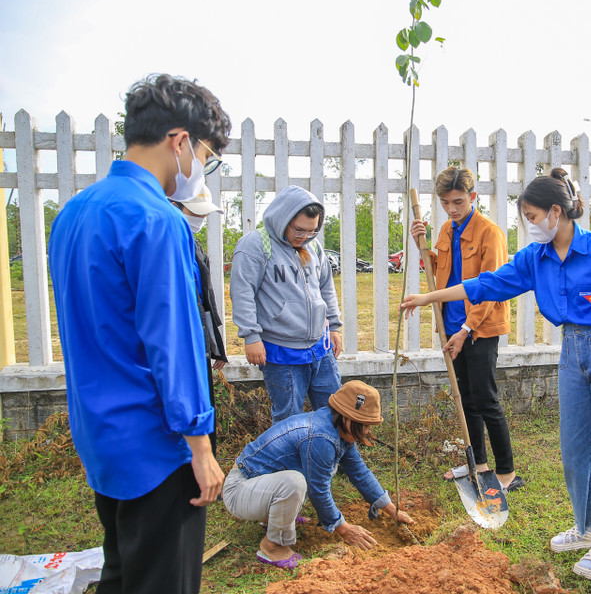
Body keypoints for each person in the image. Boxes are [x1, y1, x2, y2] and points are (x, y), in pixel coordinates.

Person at [402, 168, 591, 580]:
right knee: (575, 445)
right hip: (572, 349)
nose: (529, 225)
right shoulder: (537, 258)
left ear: (556, 211)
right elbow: (487, 283)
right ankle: (588, 527)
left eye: (532, 216)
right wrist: (430, 296)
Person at [47, 74, 231, 594]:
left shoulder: (73, 214)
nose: (201, 171)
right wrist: (200, 446)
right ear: (179, 142)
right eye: (206, 156)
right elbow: (172, 344)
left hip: (101, 434)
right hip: (157, 445)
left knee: (123, 571)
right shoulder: (158, 221)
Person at [410, 167, 521, 491]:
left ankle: (506, 472)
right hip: (451, 326)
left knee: (485, 399)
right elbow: (439, 271)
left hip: (481, 327)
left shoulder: (490, 233)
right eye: (445, 202)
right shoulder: (446, 230)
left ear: (473, 197)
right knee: (465, 399)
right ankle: (479, 464)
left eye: (458, 201)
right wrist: (423, 246)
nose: (452, 209)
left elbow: (492, 287)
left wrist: (467, 329)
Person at [222, 380, 415, 568]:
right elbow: (319, 490)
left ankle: (277, 518)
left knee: (300, 479)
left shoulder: (336, 426)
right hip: (240, 490)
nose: (366, 431)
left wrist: (391, 510)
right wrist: (344, 529)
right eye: (363, 424)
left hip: (260, 488)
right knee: (295, 482)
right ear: (346, 416)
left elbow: (359, 471)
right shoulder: (321, 437)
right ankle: (272, 547)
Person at [230, 185, 343, 422]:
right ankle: (287, 460)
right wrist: (251, 337)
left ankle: (330, 459)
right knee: (288, 419)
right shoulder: (255, 245)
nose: (304, 237)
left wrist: (334, 326)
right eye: (299, 230)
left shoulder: (313, 247)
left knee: (336, 412)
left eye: (312, 231)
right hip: (281, 350)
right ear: (283, 219)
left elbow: (326, 288)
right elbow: (242, 293)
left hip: (320, 348)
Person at [171, 184, 229, 454]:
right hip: (176, 343)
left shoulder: (192, 244)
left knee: (203, 402)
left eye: (205, 215)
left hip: (197, 341)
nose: (201, 219)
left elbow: (204, 298)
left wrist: (214, 344)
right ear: (174, 207)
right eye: (195, 212)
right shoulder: (167, 244)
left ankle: (205, 461)